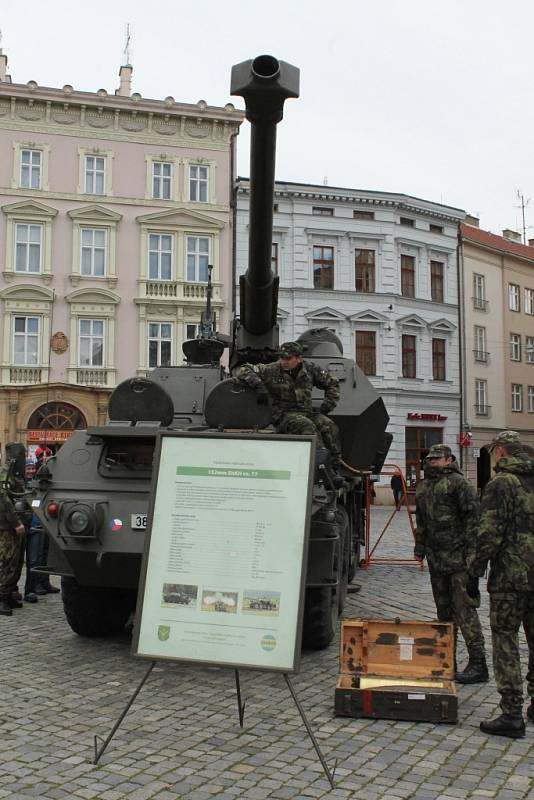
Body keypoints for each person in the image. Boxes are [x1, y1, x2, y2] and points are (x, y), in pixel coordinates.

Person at [470, 430, 534, 739]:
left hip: (510, 578)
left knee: (506, 642)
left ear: (499, 452)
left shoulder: (500, 485)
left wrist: (475, 570)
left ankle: (512, 713)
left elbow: (489, 535)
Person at [414, 443, 488, 684]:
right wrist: (420, 548)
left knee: (464, 611)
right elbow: (422, 521)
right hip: (437, 561)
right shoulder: (424, 487)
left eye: (437, 459)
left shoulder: (459, 484)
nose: (432, 462)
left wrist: (473, 558)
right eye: (430, 459)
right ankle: (446, 659)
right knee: (443, 613)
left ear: (449, 459)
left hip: (459, 562)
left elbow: (473, 520)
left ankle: (478, 663)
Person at [234, 341, 341, 459]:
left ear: (299, 358)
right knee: (306, 426)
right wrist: (259, 385)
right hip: (282, 416)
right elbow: (243, 369)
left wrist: (327, 405)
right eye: (281, 357)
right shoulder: (272, 369)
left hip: (307, 412)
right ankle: (317, 465)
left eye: (288, 358)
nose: (283, 362)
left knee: (329, 426)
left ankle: (334, 464)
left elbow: (332, 383)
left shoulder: (310, 369)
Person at [0, 486, 26, 616]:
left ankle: (8, 595)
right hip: (6, 530)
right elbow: (4, 502)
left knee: (13, 562)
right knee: (8, 562)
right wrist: (16, 523)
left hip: (6, 528)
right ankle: (3, 597)